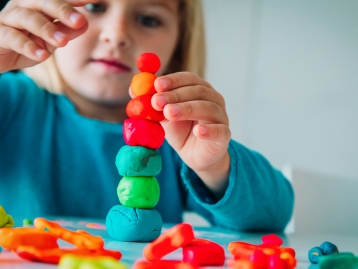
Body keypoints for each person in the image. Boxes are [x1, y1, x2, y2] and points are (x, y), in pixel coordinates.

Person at [0, 0, 293, 232]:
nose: (117, 34)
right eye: (94, 7)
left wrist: (215, 166)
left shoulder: (178, 130)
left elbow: (273, 214)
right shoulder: (11, 102)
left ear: (180, 43)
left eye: (148, 19)